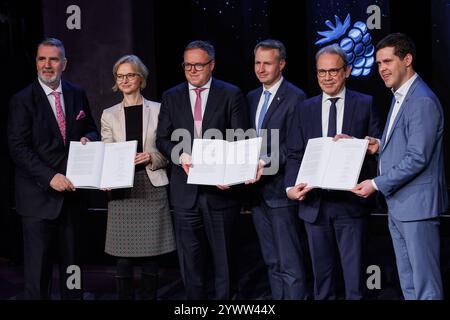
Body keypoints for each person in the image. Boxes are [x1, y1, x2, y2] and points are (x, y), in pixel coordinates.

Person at [352, 33, 448, 300]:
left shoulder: (421, 100)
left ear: (407, 60)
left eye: (387, 61)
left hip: (417, 208)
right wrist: (379, 146)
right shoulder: (400, 95)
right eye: (378, 63)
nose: (382, 69)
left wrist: (375, 184)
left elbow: (418, 157)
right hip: (401, 206)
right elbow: (408, 144)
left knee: (425, 287)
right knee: (408, 283)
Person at [284, 44, 382, 299]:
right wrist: (290, 189)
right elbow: (294, 153)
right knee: (322, 282)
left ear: (347, 70)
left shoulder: (366, 104)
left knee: (354, 283)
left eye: (333, 71)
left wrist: (359, 146)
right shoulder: (304, 108)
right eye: (321, 72)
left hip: (351, 205)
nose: (327, 77)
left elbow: (379, 147)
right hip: (314, 206)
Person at [156, 40, 248, 299]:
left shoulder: (231, 94)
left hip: (220, 194)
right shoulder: (171, 96)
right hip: (185, 194)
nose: (193, 70)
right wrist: (180, 154)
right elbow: (162, 138)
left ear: (212, 64)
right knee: (190, 262)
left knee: (224, 261)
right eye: (188, 65)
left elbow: (239, 139)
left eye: (199, 65)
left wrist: (226, 172)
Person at [7, 38, 98, 299]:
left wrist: (89, 139)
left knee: (73, 271)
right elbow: (18, 148)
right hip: (38, 199)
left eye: (53, 59)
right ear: (36, 62)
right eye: (42, 59)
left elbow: (90, 127)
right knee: (38, 275)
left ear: (64, 64)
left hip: (72, 197)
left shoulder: (77, 93)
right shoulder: (22, 99)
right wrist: (50, 177)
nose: (47, 65)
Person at [100, 55, 176, 300]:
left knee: (151, 254)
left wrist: (151, 157)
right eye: (120, 76)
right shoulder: (108, 114)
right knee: (122, 255)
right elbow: (106, 151)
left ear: (141, 78)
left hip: (152, 185)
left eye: (130, 75)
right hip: (122, 188)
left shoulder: (158, 109)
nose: (125, 80)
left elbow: (167, 150)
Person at [246, 39, 309, 299]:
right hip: (257, 193)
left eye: (267, 63)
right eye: (257, 63)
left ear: (281, 64)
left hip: (282, 191)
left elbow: (295, 145)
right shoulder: (250, 97)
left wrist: (266, 162)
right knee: (271, 262)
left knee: (290, 263)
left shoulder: (296, 97)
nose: (261, 69)